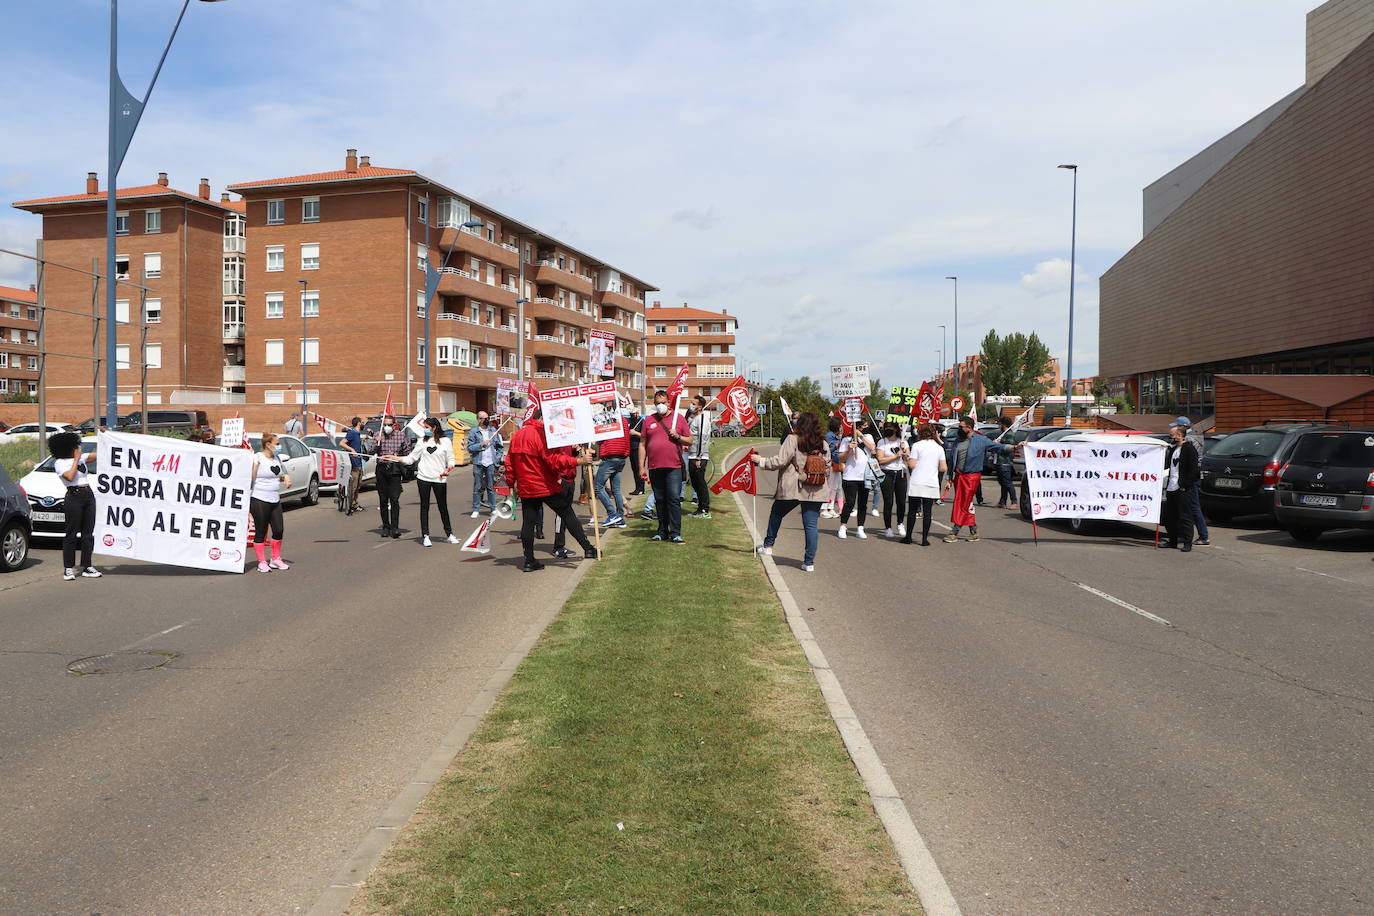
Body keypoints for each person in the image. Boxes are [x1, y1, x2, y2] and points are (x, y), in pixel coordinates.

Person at [506, 408, 597, 572]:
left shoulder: (517, 435)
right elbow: (553, 460)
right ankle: (588, 548)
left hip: (526, 486)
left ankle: (529, 560)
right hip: (545, 484)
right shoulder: (541, 435)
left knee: (528, 522)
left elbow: (510, 463)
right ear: (541, 419)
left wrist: (510, 483)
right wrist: (578, 461)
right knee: (567, 514)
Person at [752, 412, 829, 571]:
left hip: (793, 486)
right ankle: (809, 563)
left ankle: (768, 546)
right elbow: (827, 465)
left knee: (777, 513)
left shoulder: (793, 439)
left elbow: (780, 461)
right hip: (816, 488)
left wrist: (761, 461)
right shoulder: (823, 443)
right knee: (811, 526)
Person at [942, 416, 1013, 542]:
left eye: (961, 426)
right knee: (967, 503)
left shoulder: (981, 440)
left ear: (969, 428)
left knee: (962, 503)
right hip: (959, 476)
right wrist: (949, 478)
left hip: (971, 477)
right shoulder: (958, 441)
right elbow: (952, 461)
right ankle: (973, 531)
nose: (959, 428)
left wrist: (1014, 447)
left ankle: (955, 531)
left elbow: (999, 448)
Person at [638, 389, 692, 543]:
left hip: (673, 466)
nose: (660, 405)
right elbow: (642, 444)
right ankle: (662, 531)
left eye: (663, 402)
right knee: (660, 500)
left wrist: (678, 436)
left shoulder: (679, 419)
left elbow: (690, 440)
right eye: (657, 403)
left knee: (673, 499)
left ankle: (675, 533)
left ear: (669, 403)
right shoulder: (649, 420)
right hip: (655, 466)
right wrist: (641, 466)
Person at [395, 416, 457, 546]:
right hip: (423, 478)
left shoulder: (445, 441)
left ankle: (449, 534)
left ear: (434, 428)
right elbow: (411, 458)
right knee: (424, 506)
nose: (425, 430)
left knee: (442, 507)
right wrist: (396, 458)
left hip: (439, 478)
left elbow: (451, 459)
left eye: (427, 427)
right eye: (424, 427)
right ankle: (426, 535)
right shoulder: (421, 441)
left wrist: (449, 468)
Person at [49, 431, 100, 581]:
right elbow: (70, 476)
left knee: (88, 534)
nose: (78, 448)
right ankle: (68, 568)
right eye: (75, 446)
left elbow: (99, 455)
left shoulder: (81, 458)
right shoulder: (59, 463)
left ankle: (87, 565)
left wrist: (105, 437)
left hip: (88, 494)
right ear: (67, 448)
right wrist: (77, 459)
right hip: (74, 495)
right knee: (71, 533)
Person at [250, 432, 292, 572]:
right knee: (261, 531)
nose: (279, 446)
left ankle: (275, 558)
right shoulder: (258, 457)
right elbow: (252, 476)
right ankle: (261, 562)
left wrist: (284, 478)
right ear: (268, 445)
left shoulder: (277, 459)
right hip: (259, 499)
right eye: (277, 444)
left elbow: (276, 476)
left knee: (279, 529)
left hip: (275, 499)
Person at [901, 423, 948, 546]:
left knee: (912, 510)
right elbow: (943, 468)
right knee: (928, 512)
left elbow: (911, 465)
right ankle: (924, 539)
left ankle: (908, 537)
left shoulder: (917, 445)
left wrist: (907, 459)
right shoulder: (939, 448)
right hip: (931, 482)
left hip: (917, 480)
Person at [371, 413, 412, 538]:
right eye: (385, 425)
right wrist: (376, 443)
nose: (387, 427)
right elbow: (369, 452)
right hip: (382, 469)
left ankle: (395, 527)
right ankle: (385, 526)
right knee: (383, 500)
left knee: (394, 499)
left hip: (395, 470)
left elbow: (408, 452)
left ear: (394, 425)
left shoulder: (401, 435)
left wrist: (397, 458)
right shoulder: (378, 435)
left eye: (389, 424)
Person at [1162, 420, 1200, 552]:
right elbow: (1168, 465)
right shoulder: (1174, 450)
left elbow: (1193, 470)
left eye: (1172, 435)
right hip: (1171, 487)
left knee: (1185, 516)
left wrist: (1185, 485)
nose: (1171, 437)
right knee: (1169, 516)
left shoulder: (1189, 449)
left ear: (1179, 435)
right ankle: (1172, 541)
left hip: (1183, 488)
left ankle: (1187, 542)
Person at [1173, 416, 1210, 546]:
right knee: (1191, 506)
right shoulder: (1197, 437)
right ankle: (1188, 535)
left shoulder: (1188, 440)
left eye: (1177, 427)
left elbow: (1188, 462)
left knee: (1193, 507)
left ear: (1183, 427)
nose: (1175, 431)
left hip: (1191, 477)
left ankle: (1203, 536)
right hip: (1195, 476)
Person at [836, 419, 876, 538]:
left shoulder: (867, 436)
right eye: (863, 426)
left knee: (862, 504)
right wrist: (849, 448)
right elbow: (841, 458)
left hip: (865, 476)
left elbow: (872, 447)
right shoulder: (846, 439)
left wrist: (860, 435)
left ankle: (860, 528)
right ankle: (843, 526)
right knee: (850, 502)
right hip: (850, 476)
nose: (865, 428)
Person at [594, 412, 631, 528]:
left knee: (598, 487)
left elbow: (600, 439)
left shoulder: (604, 419)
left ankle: (612, 514)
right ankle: (619, 516)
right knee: (616, 489)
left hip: (610, 456)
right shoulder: (624, 420)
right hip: (621, 457)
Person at [465, 410, 504, 518]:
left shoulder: (493, 430)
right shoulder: (474, 432)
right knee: (478, 487)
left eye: (487, 418)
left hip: (490, 463)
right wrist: (481, 444)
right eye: (483, 418)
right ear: (478, 420)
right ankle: (476, 509)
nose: (486, 420)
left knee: (490, 487)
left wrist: (497, 457)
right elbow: (469, 448)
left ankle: (493, 508)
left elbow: (499, 447)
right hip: (478, 462)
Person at [875, 422, 908, 538]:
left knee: (901, 501)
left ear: (896, 429)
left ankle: (900, 524)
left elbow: (908, 459)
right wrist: (895, 456)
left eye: (891, 428)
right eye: (886, 428)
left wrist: (904, 452)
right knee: (888, 502)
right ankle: (888, 527)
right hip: (887, 473)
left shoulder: (902, 441)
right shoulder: (882, 442)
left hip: (901, 473)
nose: (888, 429)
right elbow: (880, 460)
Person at [685, 394, 713, 520]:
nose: (691, 406)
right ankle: (700, 508)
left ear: (700, 407)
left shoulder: (702, 418)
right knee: (695, 483)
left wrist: (699, 457)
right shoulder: (694, 418)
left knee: (700, 483)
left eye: (694, 404)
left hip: (698, 456)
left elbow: (702, 438)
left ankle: (705, 509)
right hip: (691, 454)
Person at [339, 416, 366, 514]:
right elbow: (341, 443)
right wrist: (352, 450)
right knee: (353, 485)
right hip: (354, 463)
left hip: (359, 462)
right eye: (362, 422)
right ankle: (350, 505)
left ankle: (355, 503)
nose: (363, 424)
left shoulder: (358, 434)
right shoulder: (352, 433)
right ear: (359, 423)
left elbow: (355, 444)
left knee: (358, 485)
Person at [993, 416, 1019, 509]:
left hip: (1005, 462)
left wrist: (997, 445)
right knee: (1002, 483)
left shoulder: (1009, 434)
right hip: (1000, 461)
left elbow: (1009, 448)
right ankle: (1002, 501)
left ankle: (1014, 501)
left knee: (1008, 483)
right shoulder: (1003, 434)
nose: (999, 425)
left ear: (1003, 424)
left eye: (1000, 423)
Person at [822, 416, 843, 518]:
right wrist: (837, 445)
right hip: (831, 463)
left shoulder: (838, 436)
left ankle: (831, 507)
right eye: (840, 425)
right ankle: (824, 508)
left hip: (837, 463)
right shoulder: (829, 436)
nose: (841, 427)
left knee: (835, 487)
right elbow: (826, 449)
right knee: (829, 487)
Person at [627, 408, 645, 495]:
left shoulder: (642, 421)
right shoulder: (631, 422)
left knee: (640, 468)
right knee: (634, 469)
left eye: (633, 414)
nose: (632, 415)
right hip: (632, 448)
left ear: (637, 413)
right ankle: (637, 487)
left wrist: (635, 433)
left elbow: (645, 435)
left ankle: (642, 488)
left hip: (639, 448)